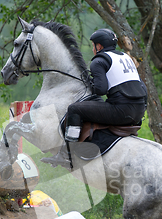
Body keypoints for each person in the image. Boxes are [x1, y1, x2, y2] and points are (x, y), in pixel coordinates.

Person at [41, 28, 148, 169]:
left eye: (93, 45)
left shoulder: (99, 61)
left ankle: (67, 154)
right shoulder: (125, 58)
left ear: (99, 46)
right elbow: (142, 87)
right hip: (139, 112)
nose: (93, 48)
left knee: (75, 109)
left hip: (121, 111)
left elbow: (100, 90)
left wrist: (91, 81)